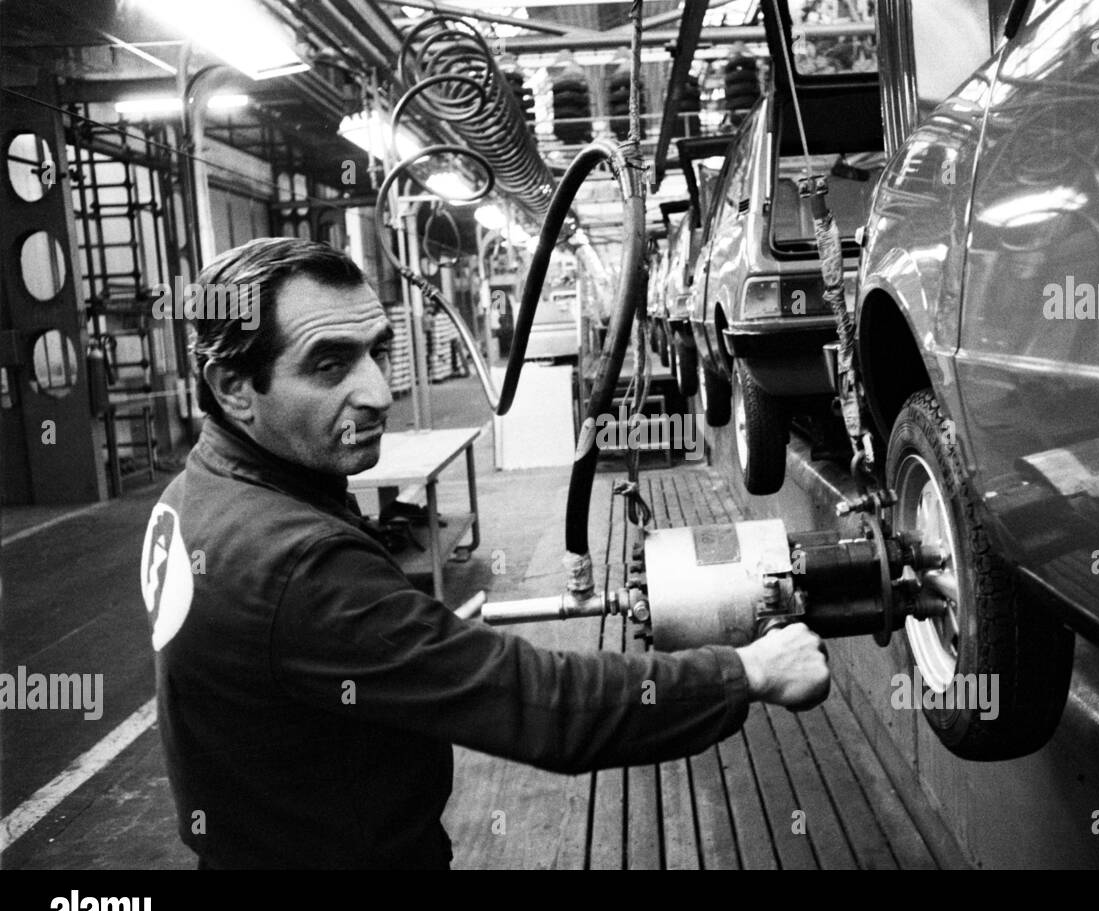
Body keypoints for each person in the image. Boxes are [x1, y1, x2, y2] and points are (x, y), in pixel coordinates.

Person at [140, 237, 829, 869]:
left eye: (378, 351)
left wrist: (404, 639)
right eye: (328, 366)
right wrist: (748, 672)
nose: (379, 392)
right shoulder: (298, 565)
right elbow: (543, 707)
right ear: (233, 387)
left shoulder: (193, 494)